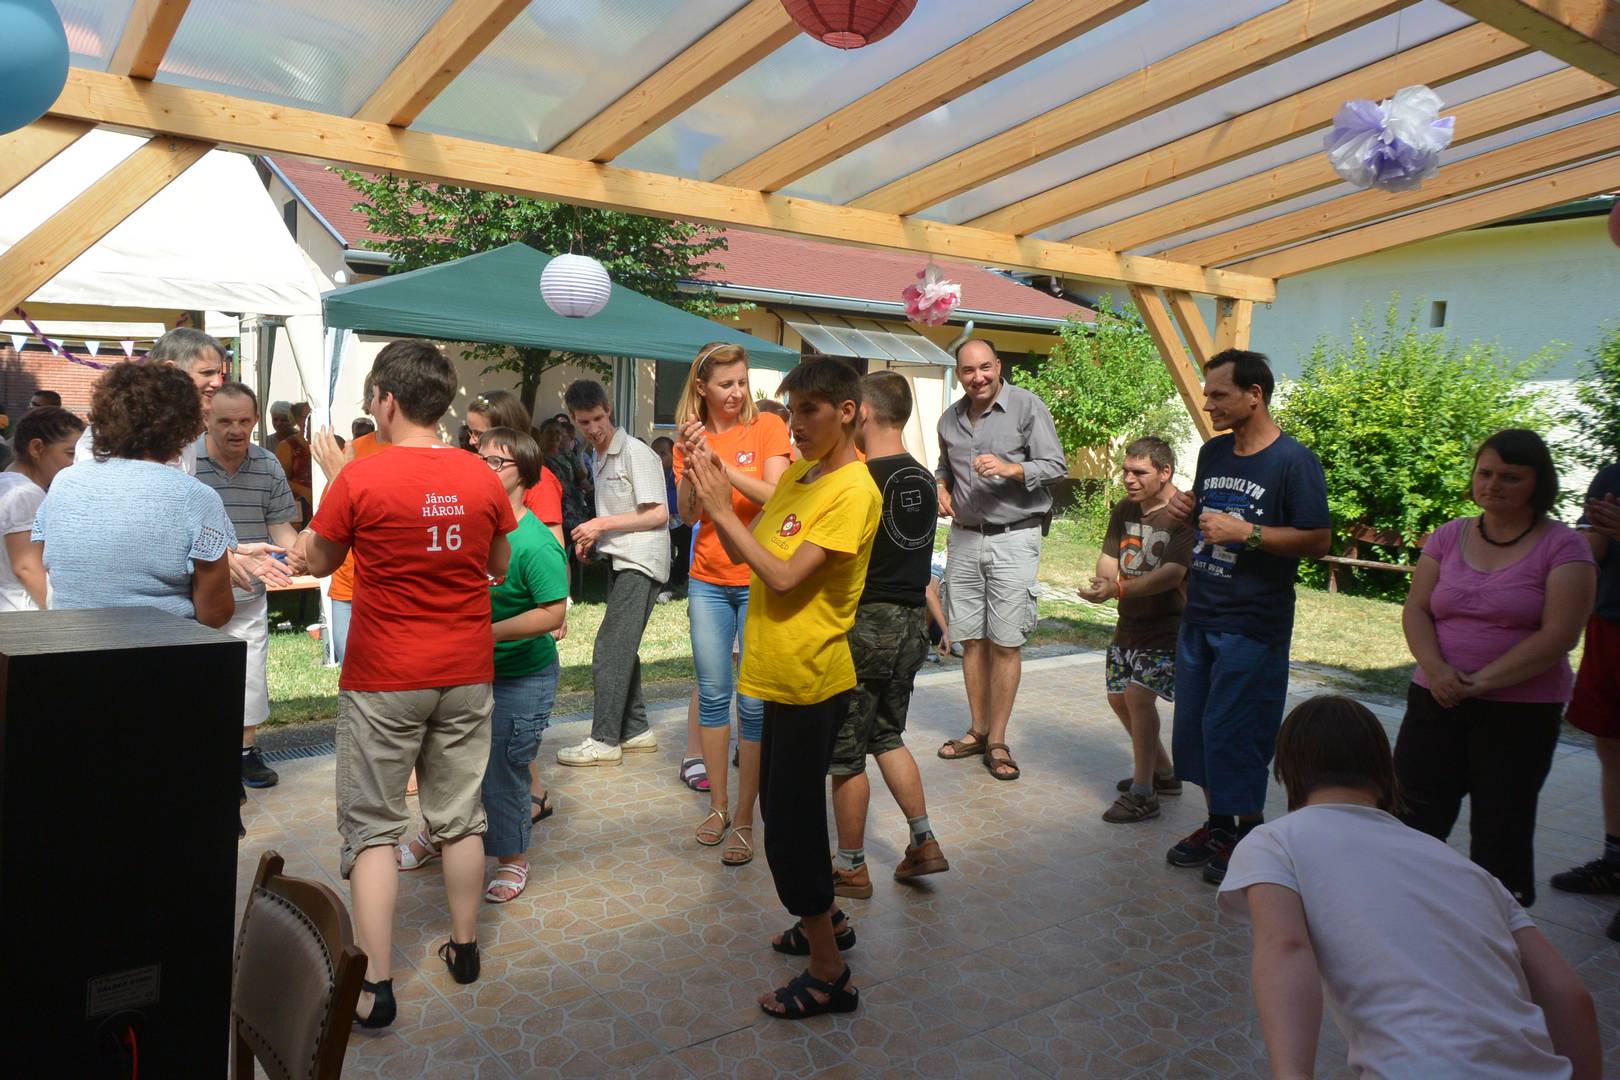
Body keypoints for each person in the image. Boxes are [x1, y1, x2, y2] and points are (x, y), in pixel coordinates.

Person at [294, 340, 515, 1026]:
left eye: (371, 398)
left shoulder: (360, 477)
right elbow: (499, 564)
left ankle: (376, 986)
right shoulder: (480, 474)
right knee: (460, 816)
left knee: (373, 829)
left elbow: (317, 560)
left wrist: (332, 486)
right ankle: (465, 948)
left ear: (387, 401)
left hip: (385, 675)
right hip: (466, 670)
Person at [1219, 695, 1601, 1080]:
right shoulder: (1466, 869)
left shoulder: (1276, 841)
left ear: (1286, 772)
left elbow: (1284, 946)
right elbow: (1569, 995)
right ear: (1385, 772)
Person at [686, 356, 880, 1021]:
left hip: (809, 678)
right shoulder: (804, 473)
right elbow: (768, 518)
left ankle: (829, 972)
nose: (793, 425)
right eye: (790, 411)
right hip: (778, 673)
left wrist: (721, 511)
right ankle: (824, 922)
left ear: (847, 412)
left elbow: (783, 575)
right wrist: (713, 471)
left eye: (808, 411)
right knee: (787, 813)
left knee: (789, 830)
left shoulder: (853, 491)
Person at [1393, 429, 1596, 907]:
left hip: (1519, 712)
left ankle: (1498, 928)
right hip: (1435, 699)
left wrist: (1479, 683)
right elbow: (1416, 609)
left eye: (1510, 476)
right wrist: (1437, 671)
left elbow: (1560, 635)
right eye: (1485, 473)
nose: (1493, 484)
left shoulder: (1565, 547)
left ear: (1538, 483)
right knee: (1411, 817)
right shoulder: (1449, 535)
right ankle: (1403, 909)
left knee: (1501, 828)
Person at [1163, 349, 1330, 885]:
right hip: (1200, 615)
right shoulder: (1213, 453)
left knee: (1237, 732)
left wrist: (1248, 533)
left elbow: (1318, 539)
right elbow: (1205, 515)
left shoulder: (1294, 462)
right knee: (1196, 730)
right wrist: (1186, 511)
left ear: (1254, 395)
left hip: (1253, 624)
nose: (1209, 404)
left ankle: (1250, 833)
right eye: (1207, 395)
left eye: (1219, 395)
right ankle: (1218, 826)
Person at [397, 427, 568, 904]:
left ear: (523, 473)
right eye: (480, 458)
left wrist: (484, 632)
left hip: (521, 676)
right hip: (464, 668)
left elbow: (553, 613)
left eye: (497, 462)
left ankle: (512, 859)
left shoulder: (535, 541)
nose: (484, 468)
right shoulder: (470, 524)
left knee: (502, 769)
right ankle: (437, 834)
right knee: (443, 759)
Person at [828, 371, 948, 898]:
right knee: (886, 734)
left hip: (866, 627)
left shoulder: (860, 479)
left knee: (846, 752)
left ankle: (851, 866)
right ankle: (924, 841)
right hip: (910, 626)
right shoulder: (922, 476)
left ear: (864, 412)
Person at [672, 343, 792, 865]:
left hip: (758, 576)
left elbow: (777, 495)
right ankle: (718, 807)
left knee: (754, 703)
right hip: (708, 580)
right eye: (726, 384)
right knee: (714, 697)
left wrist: (720, 466)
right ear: (702, 387)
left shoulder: (767, 426)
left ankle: (746, 816)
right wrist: (691, 464)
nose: (737, 392)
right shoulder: (691, 437)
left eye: (742, 381)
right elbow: (687, 514)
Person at [934, 339, 1066, 782]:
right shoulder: (949, 419)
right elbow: (944, 466)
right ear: (959, 374)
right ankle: (978, 730)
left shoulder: (1027, 407)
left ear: (998, 365)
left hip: (1014, 537)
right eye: (968, 371)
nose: (978, 378)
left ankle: (998, 740)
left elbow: (1056, 466)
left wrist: (1012, 469)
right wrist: (940, 485)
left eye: (985, 368)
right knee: (972, 640)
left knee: (1006, 642)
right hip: (965, 538)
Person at [34, 362, 235, 629]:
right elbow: (215, 613)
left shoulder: (64, 482)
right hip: (162, 647)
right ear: (183, 425)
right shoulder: (194, 497)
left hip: (70, 644)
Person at [1078, 437, 1194, 824]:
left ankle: (1144, 792)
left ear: (1165, 472)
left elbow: (1172, 574)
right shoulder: (1125, 509)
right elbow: (1109, 557)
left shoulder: (1182, 515)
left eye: (1139, 472)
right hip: (1128, 623)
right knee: (1119, 699)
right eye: (1126, 471)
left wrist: (1119, 589)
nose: (1129, 479)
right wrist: (1103, 583)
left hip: (1168, 626)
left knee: (1138, 697)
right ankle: (1164, 773)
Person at [555, 379, 670, 767]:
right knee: (622, 648)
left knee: (608, 649)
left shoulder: (635, 451)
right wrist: (595, 543)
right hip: (620, 560)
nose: (592, 428)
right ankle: (636, 730)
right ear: (573, 420)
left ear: (609, 410)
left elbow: (659, 514)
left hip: (641, 563)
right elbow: (623, 516)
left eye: (597, 419)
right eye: (583, 422)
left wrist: (600, 526)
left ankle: (604, 740)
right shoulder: (598, 456)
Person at [196, 383, 303, 790]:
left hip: (249, 594)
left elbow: (281, 527)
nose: (236, 430)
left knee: (250, 675)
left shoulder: (268, 464)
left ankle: (244, 753)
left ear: (256, 421)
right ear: (207, 419)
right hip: (194, 595)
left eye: (244, 420)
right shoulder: (186, 463)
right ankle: (203, 752)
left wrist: (302, 552)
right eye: (226, 421)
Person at [1551, 461, 1620, 936]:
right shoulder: (1612, 475)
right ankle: (1615, 860)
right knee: (1610, 745)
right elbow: (1592, 547)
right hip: (1609, 624)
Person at [73, 328, 226, 475]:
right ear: (171, 369)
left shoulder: (182, 428)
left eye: (219, 373)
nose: (217, 382)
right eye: (207, 373)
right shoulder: (118, 423)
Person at [0, 406, 84, 610]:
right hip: (23, 612)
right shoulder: (24, 494)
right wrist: (62, 616)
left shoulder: (8, 484)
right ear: (37, 448)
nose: (76, 463)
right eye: (70, 453)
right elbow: (27, 567)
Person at [465, 389, 566, 548]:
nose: (471, 441)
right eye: (470, 432)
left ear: (507, 432)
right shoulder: (477, 468)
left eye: (479, 434)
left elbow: (551, 549)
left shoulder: (541, 481)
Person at [650, 435, 691, 603]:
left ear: (673, 455)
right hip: (656, 521)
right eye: (655, 453)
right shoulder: (648, 473)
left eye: (663, 453)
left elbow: (678, 501)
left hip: (678, 520)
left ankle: (677, 579)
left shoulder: (676, 473)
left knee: (688, 543)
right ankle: (661, 583)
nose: (659, 457)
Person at [275, 401, 314, 524]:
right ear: (297, 420)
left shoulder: (336, 442)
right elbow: (280, 480)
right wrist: (305, 492)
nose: (311, 421)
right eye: (307, 417)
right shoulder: (288, 446)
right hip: (299, 507)